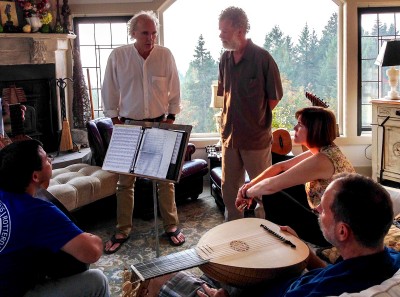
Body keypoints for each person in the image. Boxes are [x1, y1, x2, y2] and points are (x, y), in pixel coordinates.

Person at [157, 173, 400, 297]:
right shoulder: (387, 258)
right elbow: (332, 272)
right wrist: (305, 254)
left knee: (156, 276)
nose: (316, 209)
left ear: (342, 231)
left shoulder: (315, 292)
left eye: (323, 209)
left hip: (254, 291)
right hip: (276, 282)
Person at [101, 10, 184, 253]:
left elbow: (174, 87)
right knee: (125, 183)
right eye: (146, 33)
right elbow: (109, 90)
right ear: (133, 33)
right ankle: (122, 229)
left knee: (165, 180)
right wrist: (116, 121)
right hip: (128, 124)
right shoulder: (118, 56)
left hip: (160, 123)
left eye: (154, 33)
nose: (151, 38)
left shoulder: (165, 55)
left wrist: (171, 117)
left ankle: (171, 225)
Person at [0, 140, 109, 297]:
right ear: (35, 176)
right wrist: (94, 239)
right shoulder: (36, 211)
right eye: (46, 159)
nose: (50, 160)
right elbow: (92, 252)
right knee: (97, 281)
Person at [237, 106, 355, 246]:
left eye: (300, 124)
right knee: (275, 179)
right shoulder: (327, 149)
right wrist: (248, 186)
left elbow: (271, 185)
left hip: (335, 230)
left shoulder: (322, 160)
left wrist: (246, 193)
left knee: (272, 193)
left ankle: (280, 245)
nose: (294, 128)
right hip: (333, 215)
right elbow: (280, 167)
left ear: (313, 129)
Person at [217, 6, 283, 221]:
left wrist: (254, 120)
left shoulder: (263, 59)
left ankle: (263, 233)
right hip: (229, 139)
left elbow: (274, 97)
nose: (220, 35)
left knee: (262, 191)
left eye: (224, 31)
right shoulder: (224, 60)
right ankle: (233, 231)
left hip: (256, 139)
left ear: (240, 29)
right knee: (229, 191)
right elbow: (224, 96)